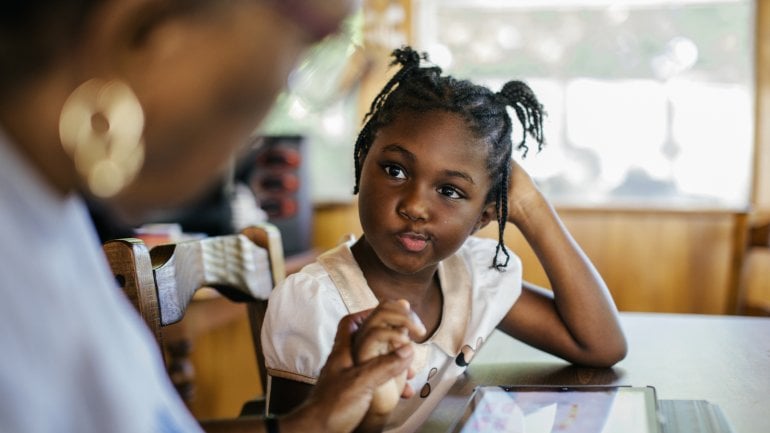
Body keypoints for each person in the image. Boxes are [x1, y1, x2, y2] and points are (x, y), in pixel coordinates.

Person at [0, 1, 426, 432]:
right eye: (307, 48)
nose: (254, 140)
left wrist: (314, 421)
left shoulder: (52, 215)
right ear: (144, 31)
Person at [261, 47, 629, 432]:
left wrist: (530, 205)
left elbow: (600, 346)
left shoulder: (474, 277)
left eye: (450, 191)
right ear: (362, 161)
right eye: (395, 170)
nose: (415, 206)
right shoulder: (313, 303)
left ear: (483, 217)